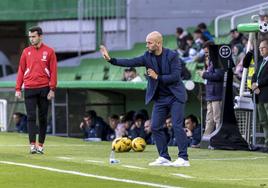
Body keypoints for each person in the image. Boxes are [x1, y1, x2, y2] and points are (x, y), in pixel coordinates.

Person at [100, 31, 189, 167]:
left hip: (175, 96)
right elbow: (130, 61)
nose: (147, 45)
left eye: (149, 42)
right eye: (146, 42)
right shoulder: (147, 56)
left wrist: (157, 77)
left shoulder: (172, 56)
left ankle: (183, 158)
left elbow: (176, 77)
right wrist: (111, 60)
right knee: (155, 126)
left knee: (177, 125)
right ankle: (164, 156)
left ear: (158, 43)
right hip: (160, 98)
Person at [15, 26, 57, 154]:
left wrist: (52, 89)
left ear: (40, 36)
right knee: (31, 117)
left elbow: (54, 71)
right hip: (29, 88)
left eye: (33, 37)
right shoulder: (26, 52)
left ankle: (41, 145)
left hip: (44, 88)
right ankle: (32, 145)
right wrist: (18, 88)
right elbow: (21, 70)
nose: (31, 39)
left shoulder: (50, 51)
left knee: (43, 117)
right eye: (30, 37)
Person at [198, 42, 224, 137]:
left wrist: (204, 74)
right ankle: (205, 140)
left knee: (217, 119)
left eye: (207, 53)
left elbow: (219, 75)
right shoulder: (210, 61)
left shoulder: (218, 60)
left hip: (217, 94)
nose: (206, 55)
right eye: (205, 53)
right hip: (211, 94)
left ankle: (218, 140)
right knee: (209, 119)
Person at [252, 39, 268, 147]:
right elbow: (254, 76)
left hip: (267, 96)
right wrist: (254, 85)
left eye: (263, 48)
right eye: (259, 48)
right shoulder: (260, 62)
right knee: (263, 121)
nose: (261, 50)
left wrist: (258, 84)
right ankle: (267, 143)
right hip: (259, 96)